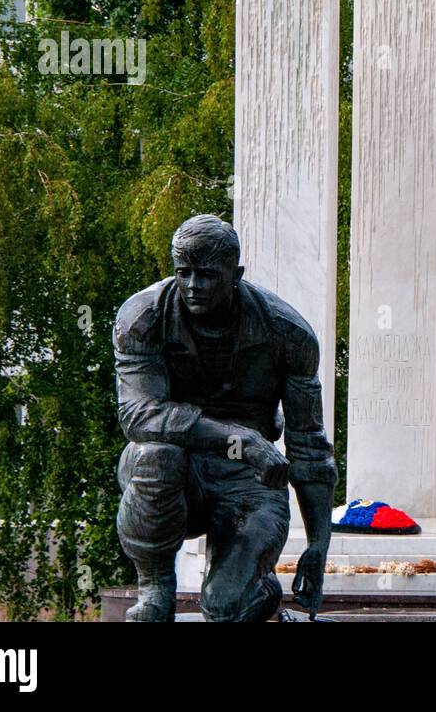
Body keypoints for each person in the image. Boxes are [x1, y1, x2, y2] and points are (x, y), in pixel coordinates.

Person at [113, 214, 336, 621]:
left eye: (208, 275)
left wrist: (319, 543)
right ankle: (156, 590)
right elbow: (138, 415)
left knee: (225, 608)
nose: (194, 286)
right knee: (154, 454)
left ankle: (257, 590)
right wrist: (240, 439)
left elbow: (309, 444)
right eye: (184, 273)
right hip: (179, 475)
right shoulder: (142, 318)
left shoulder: (287, 332)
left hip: (248, 484)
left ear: (236, 274)